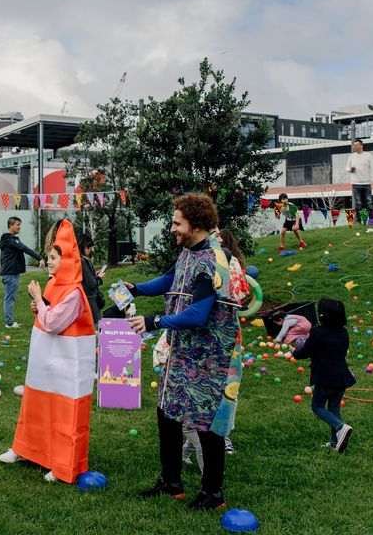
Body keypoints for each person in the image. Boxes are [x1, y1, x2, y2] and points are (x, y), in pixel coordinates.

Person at [125, 193, 241, 511]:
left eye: (177, 223)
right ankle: (171, 482)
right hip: (183, 353)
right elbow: (171, 280)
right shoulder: (189, 252)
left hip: (209, 359)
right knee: (167, 413)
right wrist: (137, 288)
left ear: (196, 224)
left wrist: (155, 320)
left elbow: (199, 314)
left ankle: (213, 494)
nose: (172, 228)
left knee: (206, 424)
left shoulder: (211, 259)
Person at [0, 219, 95, 484]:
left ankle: (64, 464)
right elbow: (48, 314)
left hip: (66, 365)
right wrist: (39, 306)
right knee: (36, 407)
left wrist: (39, 300)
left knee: (66, 414)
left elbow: (53, 322)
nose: (49, 262)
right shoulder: (56, 284)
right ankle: (28, 449)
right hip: (46, 362)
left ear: (66, 261)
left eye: (53, 258)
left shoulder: (74, 291)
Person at [292, 298, 356, 453]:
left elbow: (304, 353)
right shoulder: (343, 332)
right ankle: (336, 442)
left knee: (317, 406)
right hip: (341, 377)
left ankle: (341, 427)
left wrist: (296, 349)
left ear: (322, 315)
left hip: (325, 377)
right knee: (334, 407)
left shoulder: (317, 332)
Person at [0, 217, 45, 329]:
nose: (19, 227)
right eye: (17, 225)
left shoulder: (7, 240)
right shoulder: (11, 240)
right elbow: (26, 249)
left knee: (8, 298)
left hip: (8, 273)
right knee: (10, 298)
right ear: (11, 226)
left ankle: (9, 321)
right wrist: (40, 258)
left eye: (20, 224)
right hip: (10, 274)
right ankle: (9, 323)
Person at [78, 232, 106, 326]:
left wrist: (94, 274)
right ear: (83, 246)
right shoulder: (83, 261)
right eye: (89, 247)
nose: (90, 250)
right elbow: (92, 284)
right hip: (90, 301)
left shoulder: (80, 260)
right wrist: (99, 278)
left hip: (86, 300)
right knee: (97, 326)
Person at [345, 138, 373, 215]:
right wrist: (350, 169)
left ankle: (372, 219)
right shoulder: (351, 156)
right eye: (354, 145)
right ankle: (358, 220)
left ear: (361, 146)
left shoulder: (368, 155)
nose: (354, 147)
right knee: (358, 203)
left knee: (369, 202)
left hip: (366, 183)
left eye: (356, 145)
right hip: (355, 183)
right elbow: (346, 168)